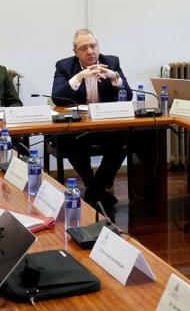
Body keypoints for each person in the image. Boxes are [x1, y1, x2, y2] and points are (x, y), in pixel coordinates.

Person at [51, 28, 131, 217]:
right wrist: (79, 77)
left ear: (98, 46)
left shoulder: (111, 62)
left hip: (105, 127)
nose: (90, 51)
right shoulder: (64, 66)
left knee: (125, 137)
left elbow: (128, 95)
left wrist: (115, 78)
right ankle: (95, 187)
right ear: (75, 52)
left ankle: (93, 190)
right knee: (67, 140)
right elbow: (57, 98)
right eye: (84, 48)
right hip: (79, 129)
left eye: (93, 46)